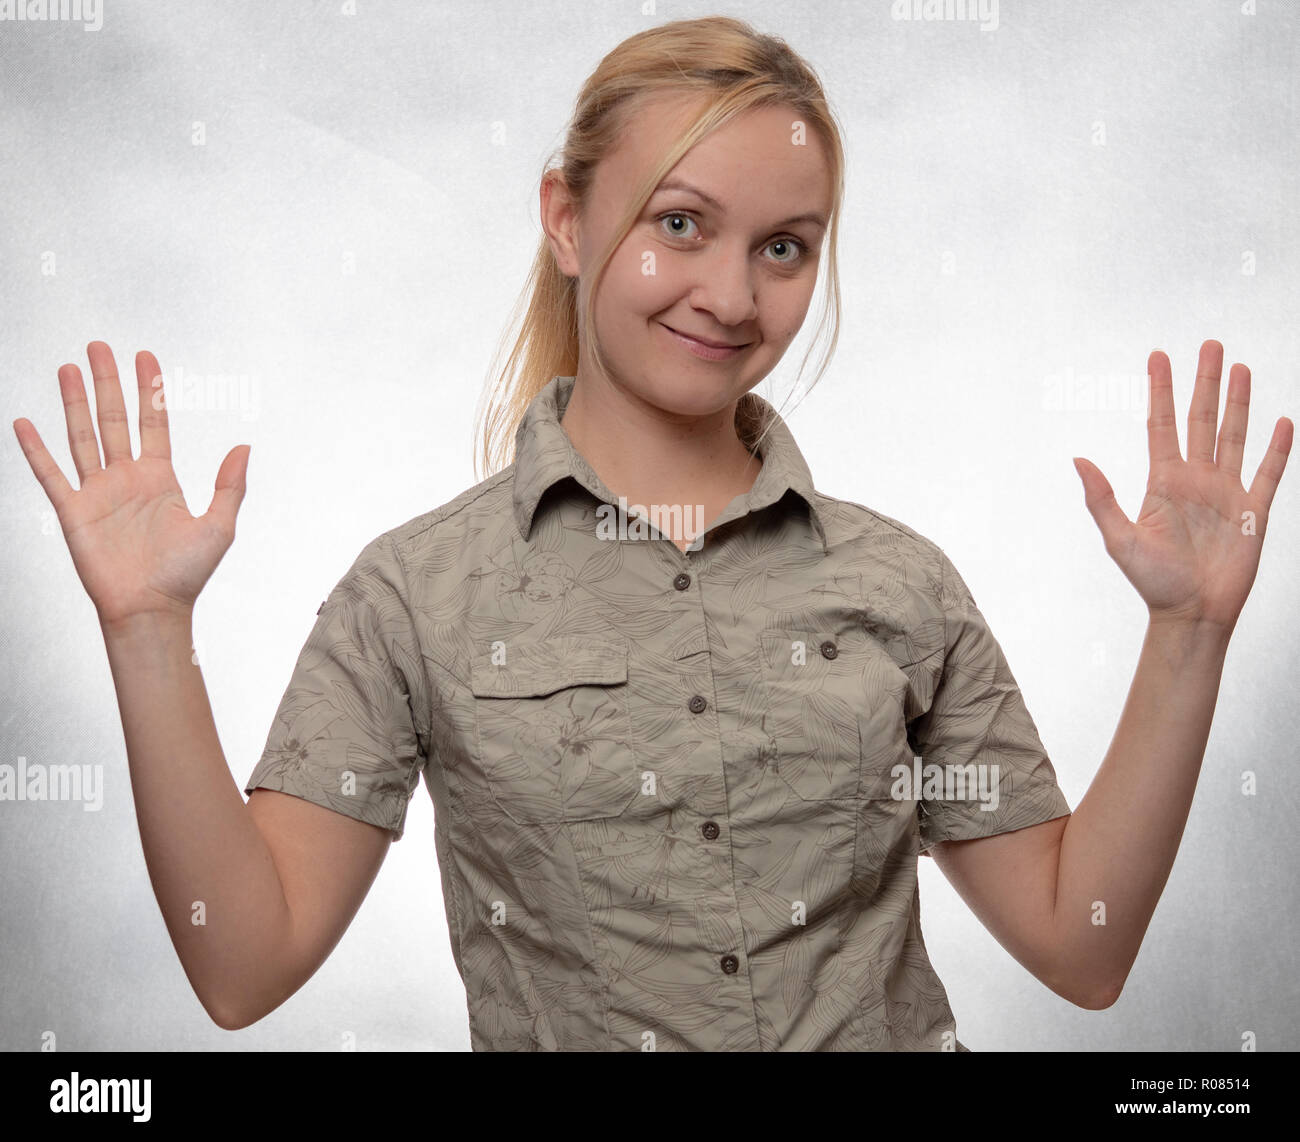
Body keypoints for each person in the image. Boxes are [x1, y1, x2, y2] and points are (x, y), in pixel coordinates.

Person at [12, 16, 1292, 1051]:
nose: (730, 296)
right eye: (679, 224)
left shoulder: (900, 583)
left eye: (783, 247)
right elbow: (242, 965)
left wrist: (1186, 633)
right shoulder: (416, 594)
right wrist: (145, 633)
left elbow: (1085, 943)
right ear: (568, 220)